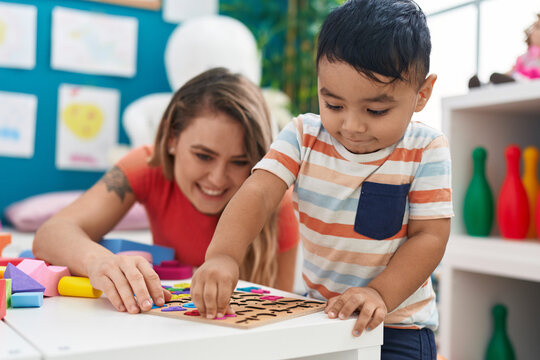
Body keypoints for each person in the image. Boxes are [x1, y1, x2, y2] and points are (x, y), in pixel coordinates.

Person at [190, 1, 452, 358]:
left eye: (376, 111)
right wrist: (223, 255)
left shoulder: (426, 149)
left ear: (421, 93)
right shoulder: (303, 135)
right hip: (322, 315)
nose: (352, 126)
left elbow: (430, 237)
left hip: (397, 325)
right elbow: (259, 194)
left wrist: (379, 293)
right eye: (334, 105)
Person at [33, 68, 299, 315]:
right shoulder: (147, 167)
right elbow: (52, 233)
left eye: (240, 162)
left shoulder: (276, 199)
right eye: (203, 156)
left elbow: (281, 314)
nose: (217, 178)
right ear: (172, 138)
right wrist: (100, 262)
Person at [469, 13, 540, 88]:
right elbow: (512, 72)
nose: (533, 31)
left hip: (530, 84)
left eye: (538, 27)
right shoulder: (523, 58)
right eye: (534, 27)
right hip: (518, 81)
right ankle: (486, 86)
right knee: (497, 78)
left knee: (509, 81)